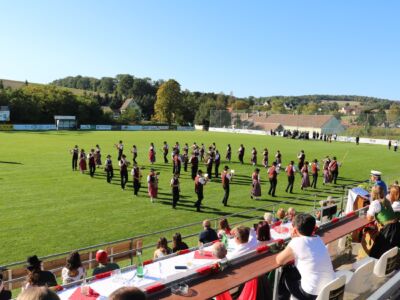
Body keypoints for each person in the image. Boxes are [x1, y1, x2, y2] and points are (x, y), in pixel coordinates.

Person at [276, 214, 335, 300]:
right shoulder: (318, 238)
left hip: (311, 294)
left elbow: (279, 260)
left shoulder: (296, 242)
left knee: (286, 272)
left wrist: (293, 240)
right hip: (331, 288)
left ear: (295, 230)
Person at [366, 185, 400, 259]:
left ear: (373, 193)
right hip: (396, 226)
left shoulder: (375, 203)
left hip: (389, 230)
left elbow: (369, 218)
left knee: (377, 252)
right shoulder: (386, 200)